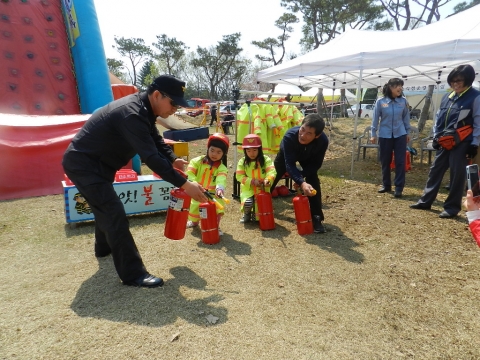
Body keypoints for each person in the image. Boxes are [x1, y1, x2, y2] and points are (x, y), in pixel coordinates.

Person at [62, 75, 208, 288]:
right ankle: (133, 274)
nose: (175, 109)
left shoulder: (145, 109)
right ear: (157, 95)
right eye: (174, 103)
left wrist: (173, 158)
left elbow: (156, 140)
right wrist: (185, 185)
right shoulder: (132, 113)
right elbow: (151, 158)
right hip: (85, 166)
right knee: (113, 212)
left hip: (99, 165)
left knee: (104, 207)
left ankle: (103, 248)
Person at [410, 64, 480, 218]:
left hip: (462, 142)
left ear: (468, 80)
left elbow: (478, 122)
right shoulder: (447, 97)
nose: (455, 84)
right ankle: (425, 201)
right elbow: (438, 119)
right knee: (435, 170)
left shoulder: (476, 97)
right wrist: (435, 136)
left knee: (457, 174)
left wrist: (474, 144)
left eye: (459, 81)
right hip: (444, 141)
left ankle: (451, 208)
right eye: (452, 81)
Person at [270, 114, 328, 233]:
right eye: (302, 129)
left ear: (317, 135)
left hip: (308, 156)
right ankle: (259, 207)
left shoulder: (323, 141)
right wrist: (301, 182)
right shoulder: (289, 137)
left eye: (309, 133)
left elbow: (316, 164)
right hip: (287, 155)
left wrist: (301, 178)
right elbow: (289, 165)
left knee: (313, 180)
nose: (303, 135)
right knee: (273, 175)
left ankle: (316, 217)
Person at [370, 78, 411, 198]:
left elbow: (406, 118)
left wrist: (407, 132)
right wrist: (373, 134)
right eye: (397, 86)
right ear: (390, 87)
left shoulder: (403, 101)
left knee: (400, 161)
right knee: (385, 161)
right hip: (385, 135)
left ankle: (399, 187)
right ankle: (386, 184)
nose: (400, 88)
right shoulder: (380, 101)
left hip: (400, 135)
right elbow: (375, 119)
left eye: (401, 86)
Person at [186, 133, 229, 235]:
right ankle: (194, 222)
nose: (214, 154)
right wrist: (194, 183)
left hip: (213, 194)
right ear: (208, 149)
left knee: (218, 209)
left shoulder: (221, 168)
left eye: (219, 152)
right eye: (212, 150)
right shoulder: (197, 161)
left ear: (224, 154)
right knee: (195, 208)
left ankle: (215, 226)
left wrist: (220, 188)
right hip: (198, 192)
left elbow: (221, 178)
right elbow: (190, 172)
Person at [235, 134, 277, 223]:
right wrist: (251, 181)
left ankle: (258, 216)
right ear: (245, 151)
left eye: (255, 150)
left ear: (259, 149)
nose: (252, 153)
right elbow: (239, 176)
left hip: (262, 189)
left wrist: (268, 180)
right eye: (248, 150)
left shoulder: (266, 160)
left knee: (261, 207)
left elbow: (271, 171)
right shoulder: (242, 162)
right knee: (248, 202)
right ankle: (246, 214)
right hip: (248, 189)